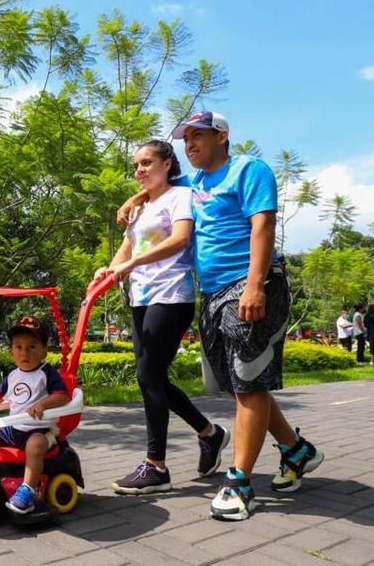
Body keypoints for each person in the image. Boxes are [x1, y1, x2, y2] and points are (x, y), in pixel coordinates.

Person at [119, 111, 323, 521]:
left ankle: (240, 482)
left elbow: (262, 226)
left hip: (249, 284)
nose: (190, 144)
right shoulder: (192, 182)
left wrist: (254, 285)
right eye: (186, 138)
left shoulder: (249, 169)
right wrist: (134, 198)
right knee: (239, 384)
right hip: (211, 292)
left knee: (248, 382)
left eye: (198, 136)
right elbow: (160, 186)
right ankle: (297, 451)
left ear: (222, 136)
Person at [93, 140, 228, 495]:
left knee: (148, 374)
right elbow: (127, 248)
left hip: (172, 296)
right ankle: (209, 433)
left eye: (147, 163)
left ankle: (156, 465)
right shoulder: (138, 208)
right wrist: (108, 271)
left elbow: (181, 239)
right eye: (136, 165)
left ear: (168, 164)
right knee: (153, 379)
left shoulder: (180, 196)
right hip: (141, 297)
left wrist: (134, 262)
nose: (140, 170)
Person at [0, 315, 70, 514]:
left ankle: (28, 489)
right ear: (11, 352)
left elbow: (62, 396)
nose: (25, 352)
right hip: (14, 429)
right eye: (19, 347)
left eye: (32, 346)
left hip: (40, 430)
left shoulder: (46, 372)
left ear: (44, 351)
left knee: (35, 444)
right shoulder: (13, 375)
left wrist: (42, 403)